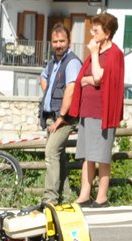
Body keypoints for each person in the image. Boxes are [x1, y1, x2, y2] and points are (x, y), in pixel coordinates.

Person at [65, 11, 123, 208]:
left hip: (103, 111)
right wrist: (87, 79)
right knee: (87, 155)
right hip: (87, 110)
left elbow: (97, 78)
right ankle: (84, 195)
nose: (92, 33)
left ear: (106, 33)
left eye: (96, 30)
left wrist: (93, 55)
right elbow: (83, 79)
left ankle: (102, 197)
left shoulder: (114, 54)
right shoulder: (97, 52)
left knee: (102, 156)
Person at [38, 23, 81, 205]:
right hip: (52, 117)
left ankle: (50, 198)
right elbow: (42, 77)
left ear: (68, 42)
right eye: (55, 41)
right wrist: (49, 92)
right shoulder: (53, 63)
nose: (58, 45)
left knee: (51, 152)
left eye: (62, 41)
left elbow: (71, 90)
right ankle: (66, 196)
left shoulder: (71, 62)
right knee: (59, 157)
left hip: (64, 119)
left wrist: (62, 117)